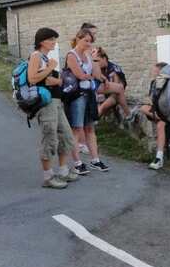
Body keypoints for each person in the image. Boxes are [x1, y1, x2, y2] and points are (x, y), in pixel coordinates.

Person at [28, 28, 78, 188]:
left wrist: (55, 80)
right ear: (42, 41)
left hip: (56, 102)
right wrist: (51, 68)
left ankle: (63, 171)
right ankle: (48, 177)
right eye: (51, 40)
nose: (54, 43)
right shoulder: (36, 56)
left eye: (55, 40)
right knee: (50, 138)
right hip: (46, 103)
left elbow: (49, 80)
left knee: (66, 136)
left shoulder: (45, 57)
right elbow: (32, 78)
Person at [65, 28, 110, 174]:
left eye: (90, 42)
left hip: (89, 94)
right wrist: (89, 76)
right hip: (77, 95)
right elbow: (80, 75)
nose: (88, 44)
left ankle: (95, 160)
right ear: (78, 39)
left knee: (90, 128)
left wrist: (95, 58)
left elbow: (96, 75)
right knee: (77, 129)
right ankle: (77, 162)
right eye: (86, 41)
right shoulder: (71, 55)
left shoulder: (88, 55)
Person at [139, 62, 169, 170]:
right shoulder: (154, 83)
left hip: (167, 112)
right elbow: (152, 99)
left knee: (161, 125)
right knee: (143, 108)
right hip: (158, 111)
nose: (153, 73)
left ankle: (159, 157)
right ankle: (161, 117)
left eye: (155, 71)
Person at [94, 47, 134, 121]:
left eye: (97, 61)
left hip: (115, 95)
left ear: (104, 58)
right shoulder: (99, 69)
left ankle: (129, 115)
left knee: (103, 106)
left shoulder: (113, 68)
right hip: (105, 94)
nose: (96, 63)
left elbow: (117, 88)